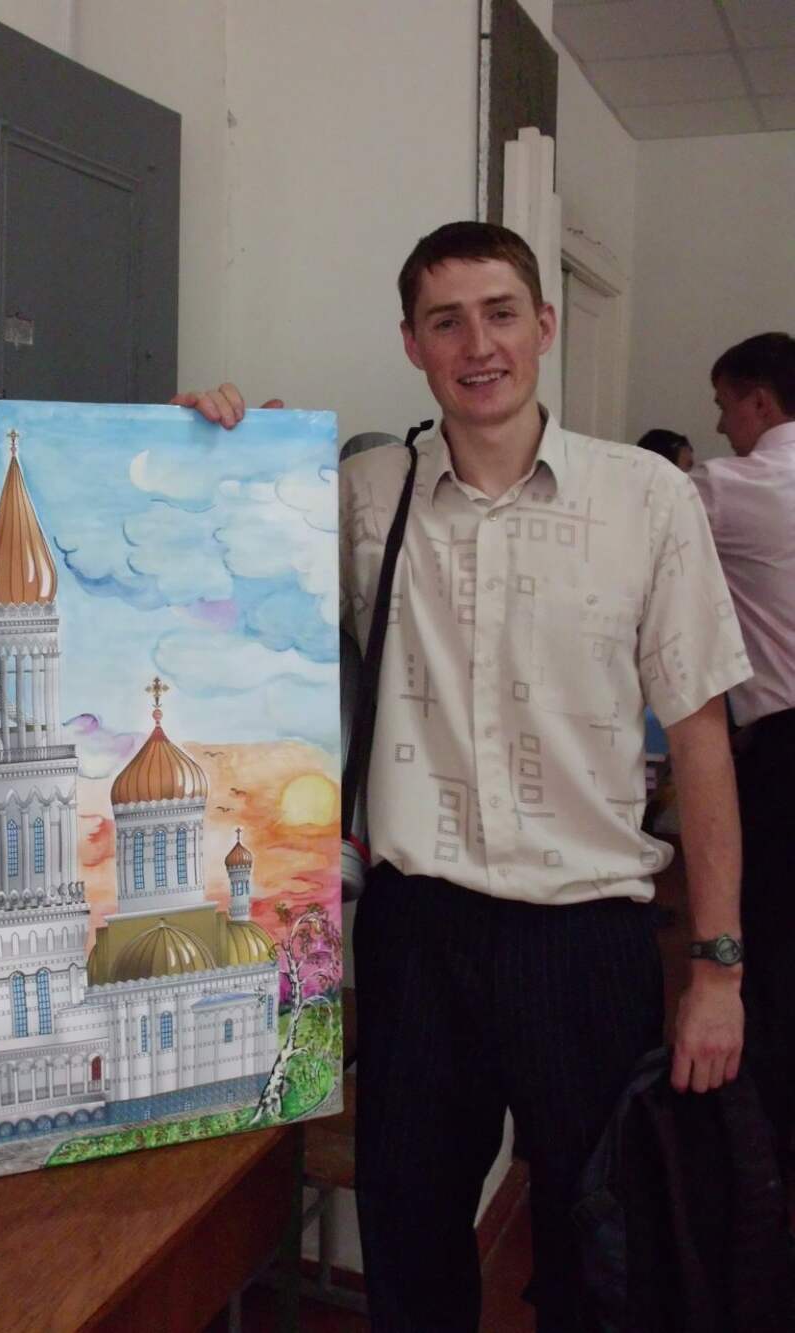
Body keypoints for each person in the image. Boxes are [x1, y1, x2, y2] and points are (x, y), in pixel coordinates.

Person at [173, 222, 750, 1332]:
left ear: (544, 325)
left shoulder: (646, 499)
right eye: (445, 322)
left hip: (585, 935)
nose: (476, 345)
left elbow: (701, 738)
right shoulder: (361, 492)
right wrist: (211, 447)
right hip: (416, 935)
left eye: (499, 314)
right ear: (411, 343)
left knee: (600, 1248)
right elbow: (210, 574)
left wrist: (717, 968)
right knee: (409, 1235)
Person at [691, 331, 795, 1163]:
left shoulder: (744, 487)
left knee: (776, 947)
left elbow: (624, 509)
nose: (722, 426)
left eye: (726, 406)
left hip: (786, 751)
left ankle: (762, 1163)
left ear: (760, 401)